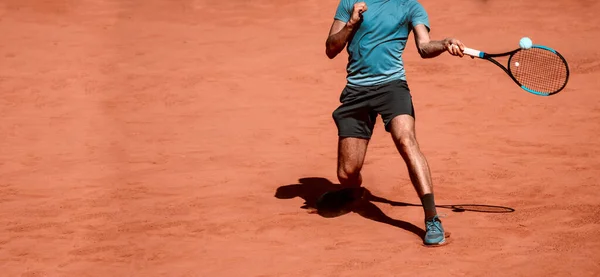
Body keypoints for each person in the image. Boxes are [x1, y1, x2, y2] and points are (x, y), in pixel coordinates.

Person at [325, 0, 466, 246]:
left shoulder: (411, 7)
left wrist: (444, 44)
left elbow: (424, 47)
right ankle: (353, 190)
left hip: (392, 87)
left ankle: (432, 219)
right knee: (346, 174)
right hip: (357, 91)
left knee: (406, 139)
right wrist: (350, 25)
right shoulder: (350, 2)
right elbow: (330, 48)